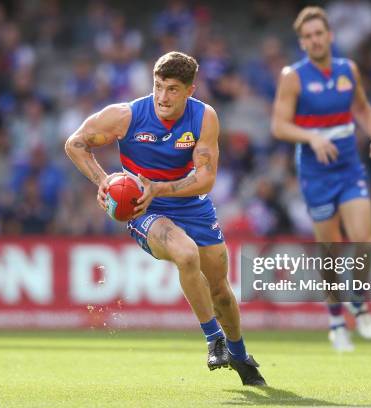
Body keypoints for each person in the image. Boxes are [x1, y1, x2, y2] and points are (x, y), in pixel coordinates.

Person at [65, 51, 266, 385]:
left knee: (220, 291)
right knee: (185, 255)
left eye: (172, 89)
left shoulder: (204, 117)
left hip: (191, 205)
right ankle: (213, 339)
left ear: (190, 90)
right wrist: (104, 182)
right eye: (158, 86)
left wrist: (159, 188)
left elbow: (206, 179)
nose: (162, 96)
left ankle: (239, 353)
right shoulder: (125, 116)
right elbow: (75, 143)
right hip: (146, 210)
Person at [271, 7, 371, 351]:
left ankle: (356, 297)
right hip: (315, 174)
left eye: (318, 33)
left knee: (364, 239)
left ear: (330, 36)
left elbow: (363, 108)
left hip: (349, 167)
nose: (314, 40)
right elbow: (279, 126)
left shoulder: (347, 70)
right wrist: (312, 137)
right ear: (302, 42)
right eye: (307, 36)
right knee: (331, 250)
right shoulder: (293, 76)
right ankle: (336, 317)